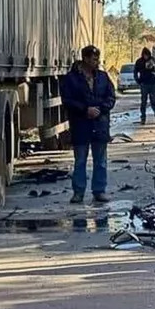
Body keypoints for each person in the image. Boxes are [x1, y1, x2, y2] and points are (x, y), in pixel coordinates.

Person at [62, 45, 117, 204]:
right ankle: (78, 192)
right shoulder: (72, 78)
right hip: (81, 125)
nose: (97, 62)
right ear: (85, 59)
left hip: (100, 124)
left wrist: (100, 109)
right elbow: (67, 100)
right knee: (80, 160)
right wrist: (85, 110)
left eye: (97, 59)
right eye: (94, 59)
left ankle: (99, 191)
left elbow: (111, 97)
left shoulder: (103, 77)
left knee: (100, 160)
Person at [133, 47, 155, 125]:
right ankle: (143, 118)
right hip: (144, 83)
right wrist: (138, 80)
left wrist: (153, 67)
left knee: (154, 101)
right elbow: (135, 72)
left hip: (152, 83)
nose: (146, 56)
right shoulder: (139, 61)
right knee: (144, 102)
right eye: (144, 55)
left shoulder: (152, 59)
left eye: (147, 55)